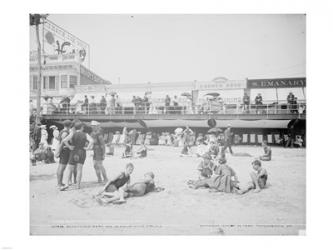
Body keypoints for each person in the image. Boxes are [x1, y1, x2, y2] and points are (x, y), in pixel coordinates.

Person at [60, 122, 93, 190]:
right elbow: (92, 141)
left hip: (74, 151)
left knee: (70, 169)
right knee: (79, 169)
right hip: (82, 152)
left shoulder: (73, 133)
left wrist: (69, 147)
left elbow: (64, 140)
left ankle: (67, 184)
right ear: (82, 127)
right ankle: (78, 185)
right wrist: (88, 148)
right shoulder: (85, 134)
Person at [97, 172, 164, 205]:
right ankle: (106, 200)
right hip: (140, 193)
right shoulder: (152, 185)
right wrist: (158, 188)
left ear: (148, 175)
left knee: (121, 189)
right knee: (124, 194)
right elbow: (154, 189)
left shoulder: (149, 178)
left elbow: (144, 181)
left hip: (139, 188)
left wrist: (134, 183)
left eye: (145, 175)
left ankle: (120, 199)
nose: (144, 176)